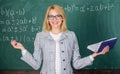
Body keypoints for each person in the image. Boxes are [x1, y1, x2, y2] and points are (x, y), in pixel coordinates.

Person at [11, 4, 109, 74]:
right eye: (51, 17)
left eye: (58, 16)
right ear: (48, 19)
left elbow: (76, 64)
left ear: (62, 18)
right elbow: (36, 65)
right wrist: (22, 49)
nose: (54, 19)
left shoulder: (71, 36)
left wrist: (95, 55)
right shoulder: (40, 36)